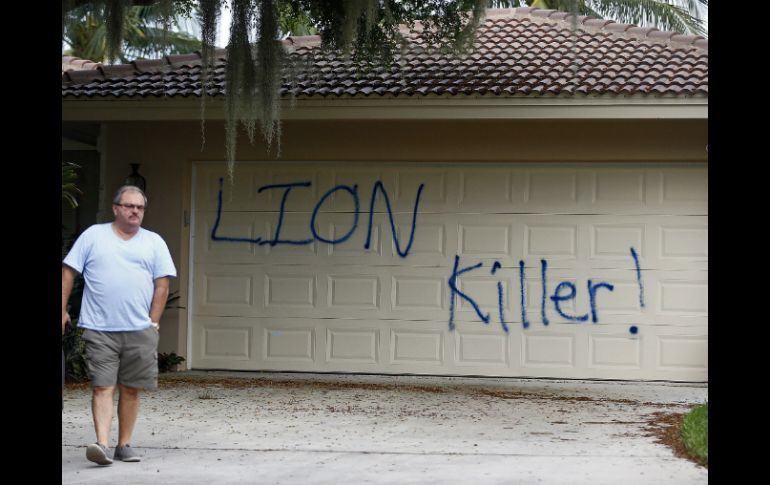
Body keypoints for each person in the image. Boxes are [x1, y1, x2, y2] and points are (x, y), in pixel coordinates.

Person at [62, 185, 177, 466]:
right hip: (100, 328)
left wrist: (153, 322)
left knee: (131, 388)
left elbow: (162, 285)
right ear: (116, 208)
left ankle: (124, 445)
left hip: (139, 329)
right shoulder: (93, 236)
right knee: (102, 386)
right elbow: (68, 271)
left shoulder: (154, 242)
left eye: (139, 207)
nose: (135, 211)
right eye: (129, 206)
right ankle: (101, 443)